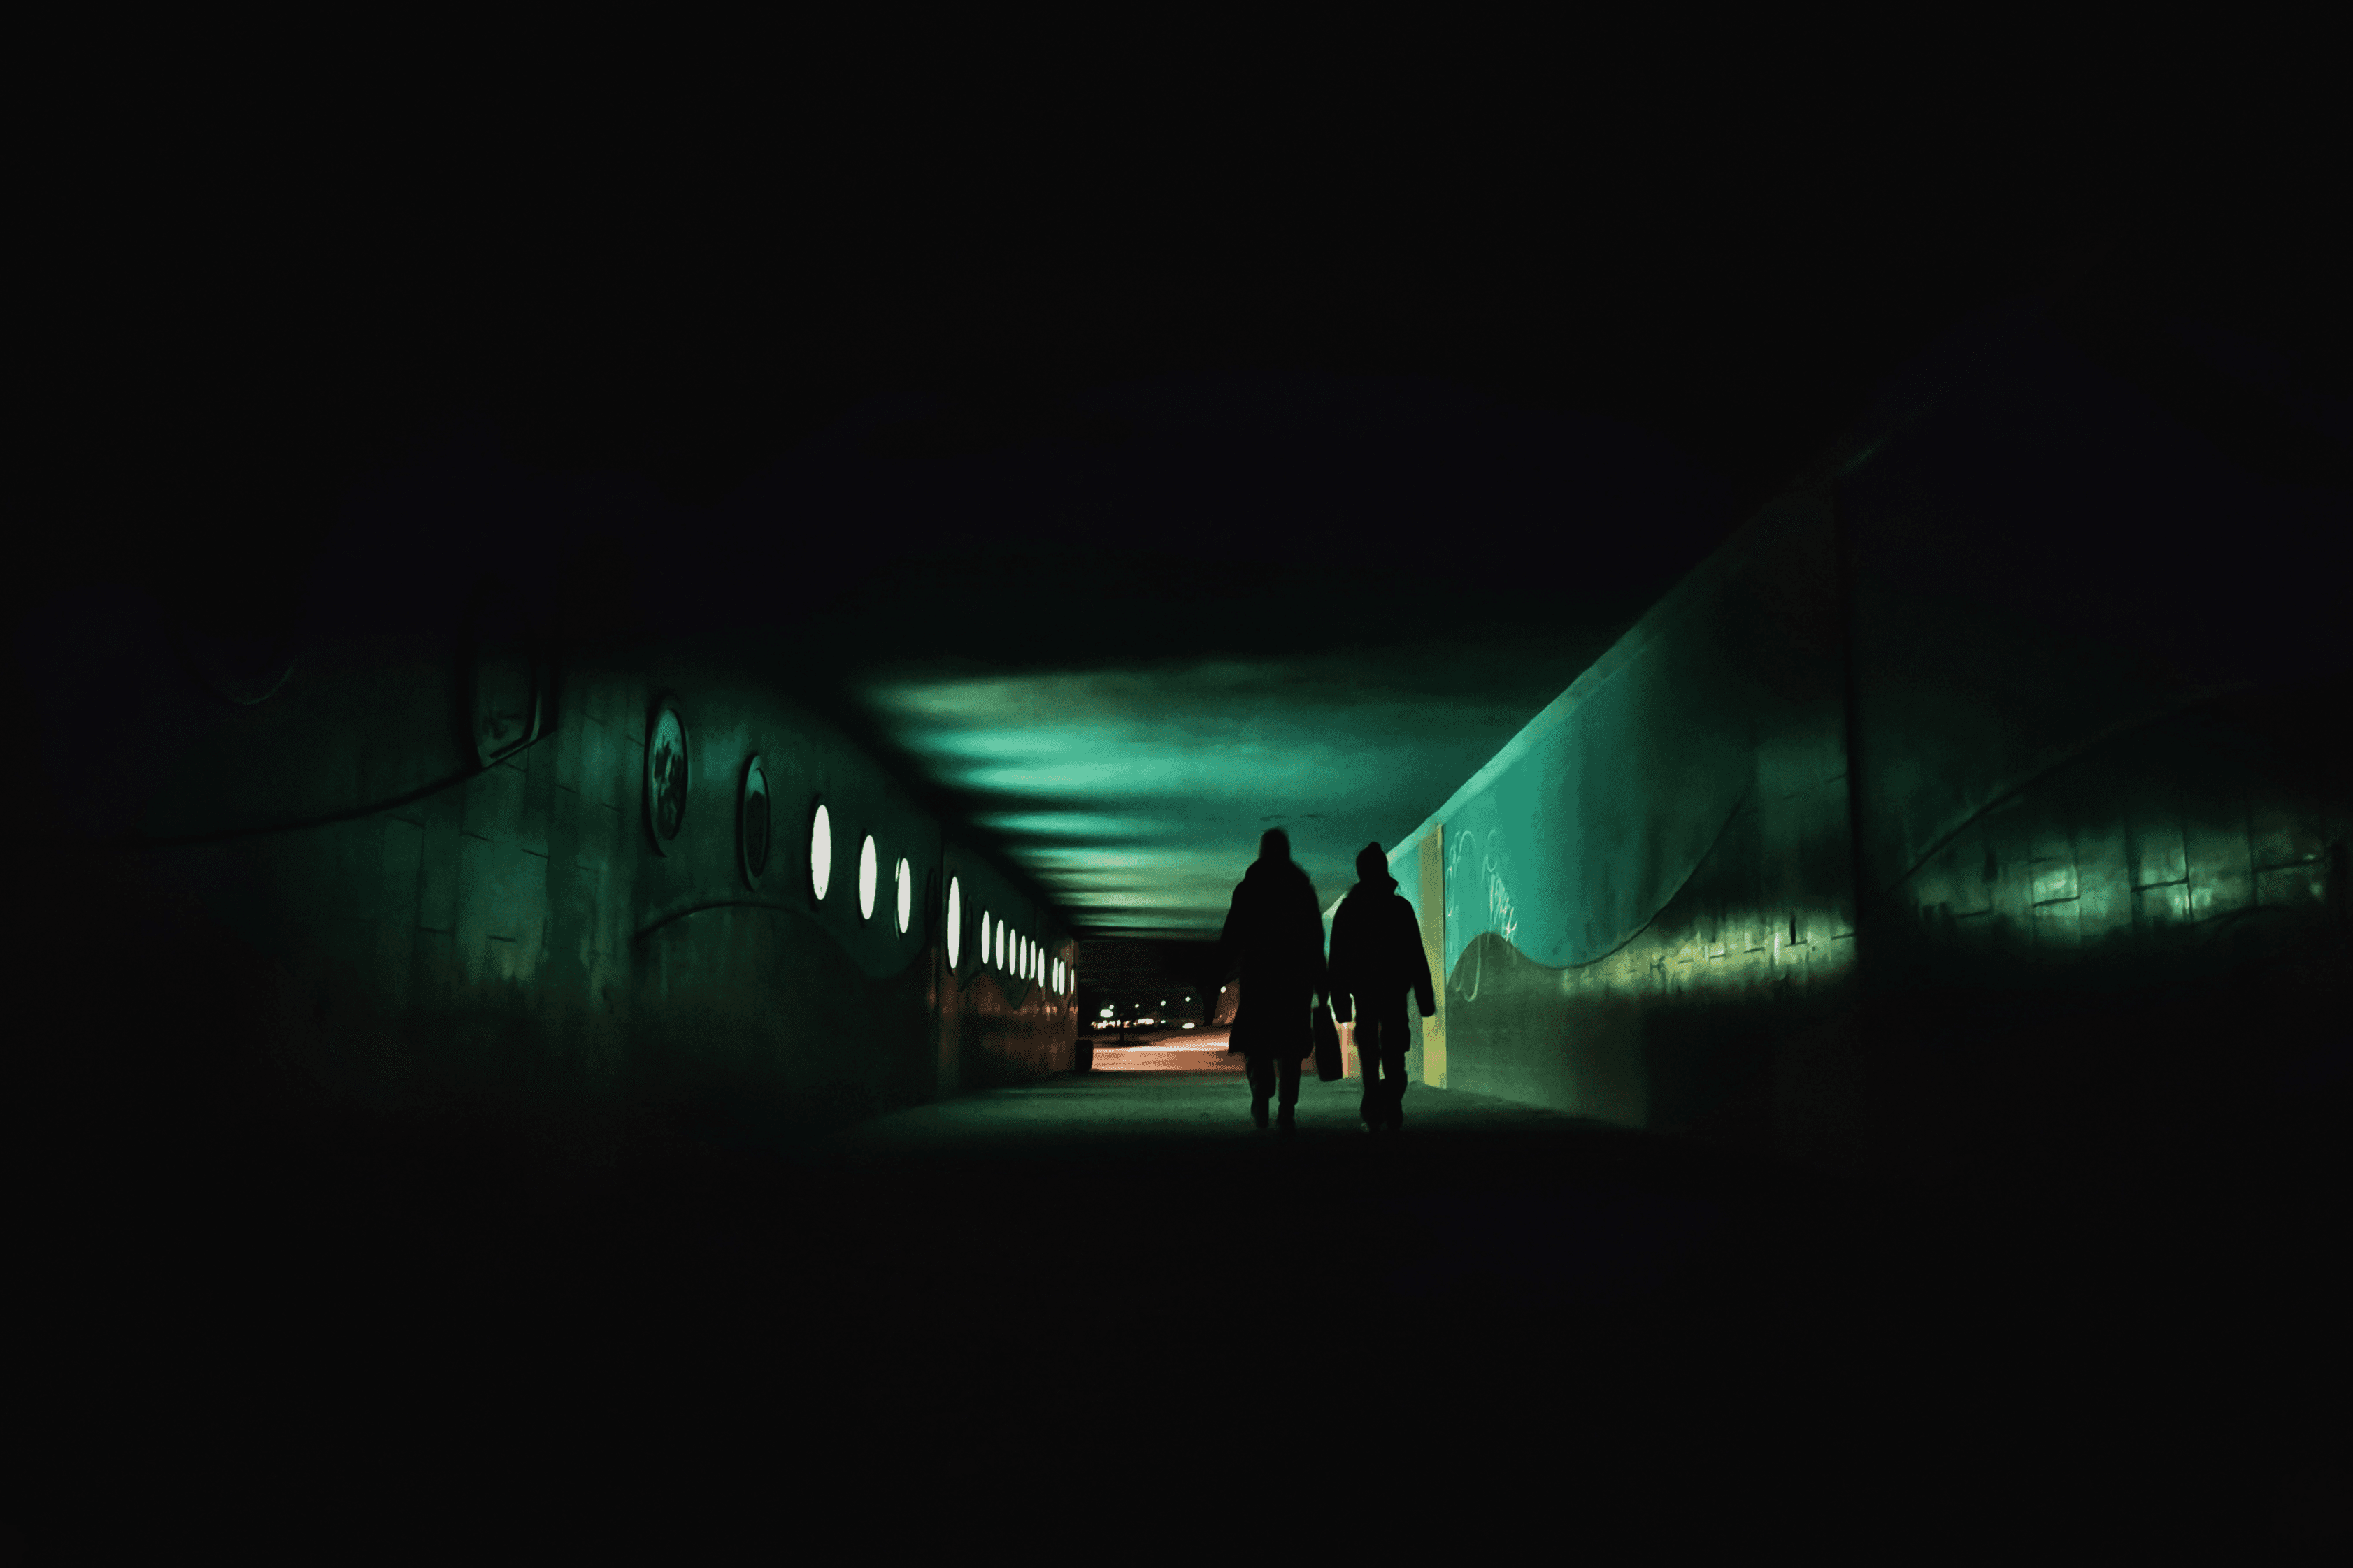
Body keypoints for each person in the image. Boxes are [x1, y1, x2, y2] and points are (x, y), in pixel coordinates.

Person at [1216, 828, 1329, 1133]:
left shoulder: (1249, 888)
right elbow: (1315, 939)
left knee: (1258, 1044)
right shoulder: (1303, 891)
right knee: (1290, 1048)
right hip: (1295, 979)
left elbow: (1232, 935)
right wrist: (1322, 982)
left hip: (1260, 977)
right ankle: (1287, 1109)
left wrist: (1218, 973)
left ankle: (1261, 1099)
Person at [1327, 842, 1434, 1133]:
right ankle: (1390, 1099)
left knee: (1370, 1053)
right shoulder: (1400, 908)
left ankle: (1374, 1101)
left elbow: (1337, 958)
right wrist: (1426, 1000)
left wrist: (1340, 1003)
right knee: (1395, 1051)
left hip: (1364, 993)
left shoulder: (1349, 910)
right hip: (1394, 992)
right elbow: (1416, 955)